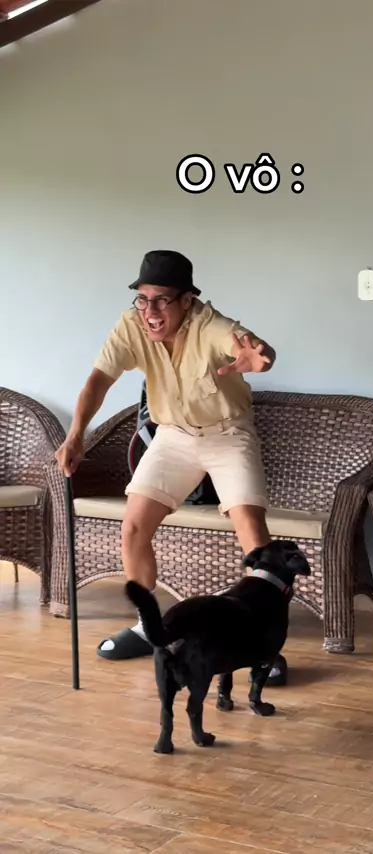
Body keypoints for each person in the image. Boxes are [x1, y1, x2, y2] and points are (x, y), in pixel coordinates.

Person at [55, 249, 288, 685]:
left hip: (228, 434)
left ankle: (261, 643)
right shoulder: (131, 326)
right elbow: (98, 381)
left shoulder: (211, 326)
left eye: (161, 300)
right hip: (173, 436)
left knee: (252, 532)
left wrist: (261, 358)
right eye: (143, 299)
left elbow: (257, 350)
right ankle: (149, 628)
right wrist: (76, 435)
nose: (151, 311)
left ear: (186, 300)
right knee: (133, 527)